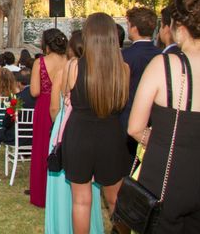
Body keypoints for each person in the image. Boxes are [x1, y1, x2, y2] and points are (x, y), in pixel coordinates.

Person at [128, 0, 200, 232]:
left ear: (180, 29)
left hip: (166, 173)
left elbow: (134, 128)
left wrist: (157, 139)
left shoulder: (164, 65)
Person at [61, 13, 130, 234]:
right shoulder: (124, 69)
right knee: (115, 198)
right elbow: (121, 101)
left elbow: (66, 97)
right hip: (110, 134)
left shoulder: (73, 67)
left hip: (80, 134)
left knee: (81, 200)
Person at [46, 30, 103, 234]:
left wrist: (59, 126)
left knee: (64, 185)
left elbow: (54, 108)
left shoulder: (65, 73)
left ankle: (61, 227)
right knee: (88, 189)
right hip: (91, 132)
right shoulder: (98, 72)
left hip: (65, 130)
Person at [29, 28, 68, 208]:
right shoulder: (69, 61)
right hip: (65, 105)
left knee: (42, 148)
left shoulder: (40, 62)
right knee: (61, 147)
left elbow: (34, 91)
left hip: (45, 105)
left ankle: (41, 193)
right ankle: (60, 194)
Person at [121, 6, 161, 155]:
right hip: (155, 122)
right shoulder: (162, 55)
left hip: (127, 119)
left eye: (128, 25)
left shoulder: (125, 56)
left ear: (134, 28)